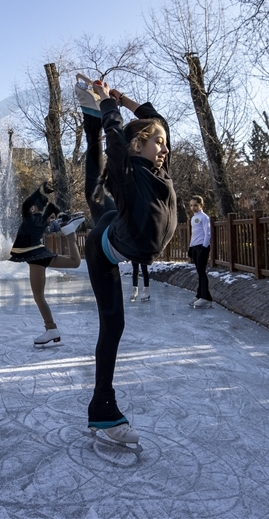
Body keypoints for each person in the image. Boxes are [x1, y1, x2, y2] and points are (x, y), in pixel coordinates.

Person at [75, 73, 176, 447]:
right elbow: (116, 133)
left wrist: (124, 98)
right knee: (113, 328)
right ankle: (103, 409)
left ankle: (89, 115)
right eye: (156, 143)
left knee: (101, 204)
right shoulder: (129, 165)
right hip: (105, 249)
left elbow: (158, 121)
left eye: (164, 144)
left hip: (121, 227)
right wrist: (105, 104)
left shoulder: (160, 173)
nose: (163, 148)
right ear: (137, 145)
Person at [9, 182, 85, 345]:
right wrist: (62, 215)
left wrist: (41, 191)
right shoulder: (41, 220)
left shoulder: (29, 215)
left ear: (34, 208)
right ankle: (70, 234)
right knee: (75, 263)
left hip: (34, 256)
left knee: (38, 296)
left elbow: (28, 203)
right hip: (40, 254)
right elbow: (50, 206)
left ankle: (51, 329)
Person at [188, 195, 214, 308]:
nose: (193, 208)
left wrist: (204, 247)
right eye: (191, 205)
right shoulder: (193, 218)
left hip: (202, 247)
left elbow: (207, 233)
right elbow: (194, 234)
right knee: (199, 272)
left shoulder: (204, 217)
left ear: (201, 205)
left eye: (195, 205)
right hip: (195, 247)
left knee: (202, 272)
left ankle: (205, 298)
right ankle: (200, 295)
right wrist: (190, 247)